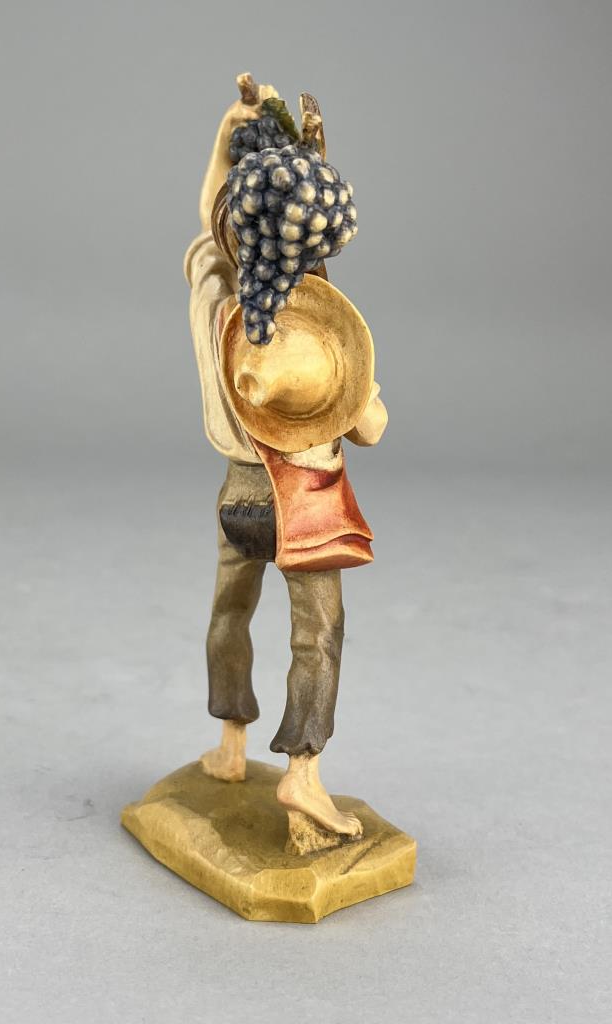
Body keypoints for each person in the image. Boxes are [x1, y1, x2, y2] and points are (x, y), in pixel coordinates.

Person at [184, 79, 388, 840]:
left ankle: (230, 743)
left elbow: (209, 231)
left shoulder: (218, 311)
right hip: (306, 506)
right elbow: (371, 427)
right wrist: (360, 390)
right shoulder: (323, 344)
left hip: (239, 498)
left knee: (229, 613)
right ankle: (303, 773)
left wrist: (225, 141)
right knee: (317, 635)